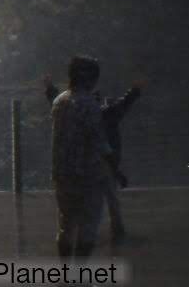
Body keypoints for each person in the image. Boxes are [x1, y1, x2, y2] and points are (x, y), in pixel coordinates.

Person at [44, 74, 141, 241]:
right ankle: (115, 230)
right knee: (111, 200)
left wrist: (50, 89)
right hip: (102, 162)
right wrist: (135, 90)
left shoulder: (79, 113)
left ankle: (75, 234)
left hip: (86, 164)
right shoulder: (108, 115)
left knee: (81, 201)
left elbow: (57, 101)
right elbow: (124, 104)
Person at [50, 55, 114, 270]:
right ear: (90, 78)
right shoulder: (90, 104)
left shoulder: (59, 101)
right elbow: (98, 142)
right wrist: (115, 169)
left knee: (66, 225)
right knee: (87, 227)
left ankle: (65, 276)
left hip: (62, 172)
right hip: (88, 174)